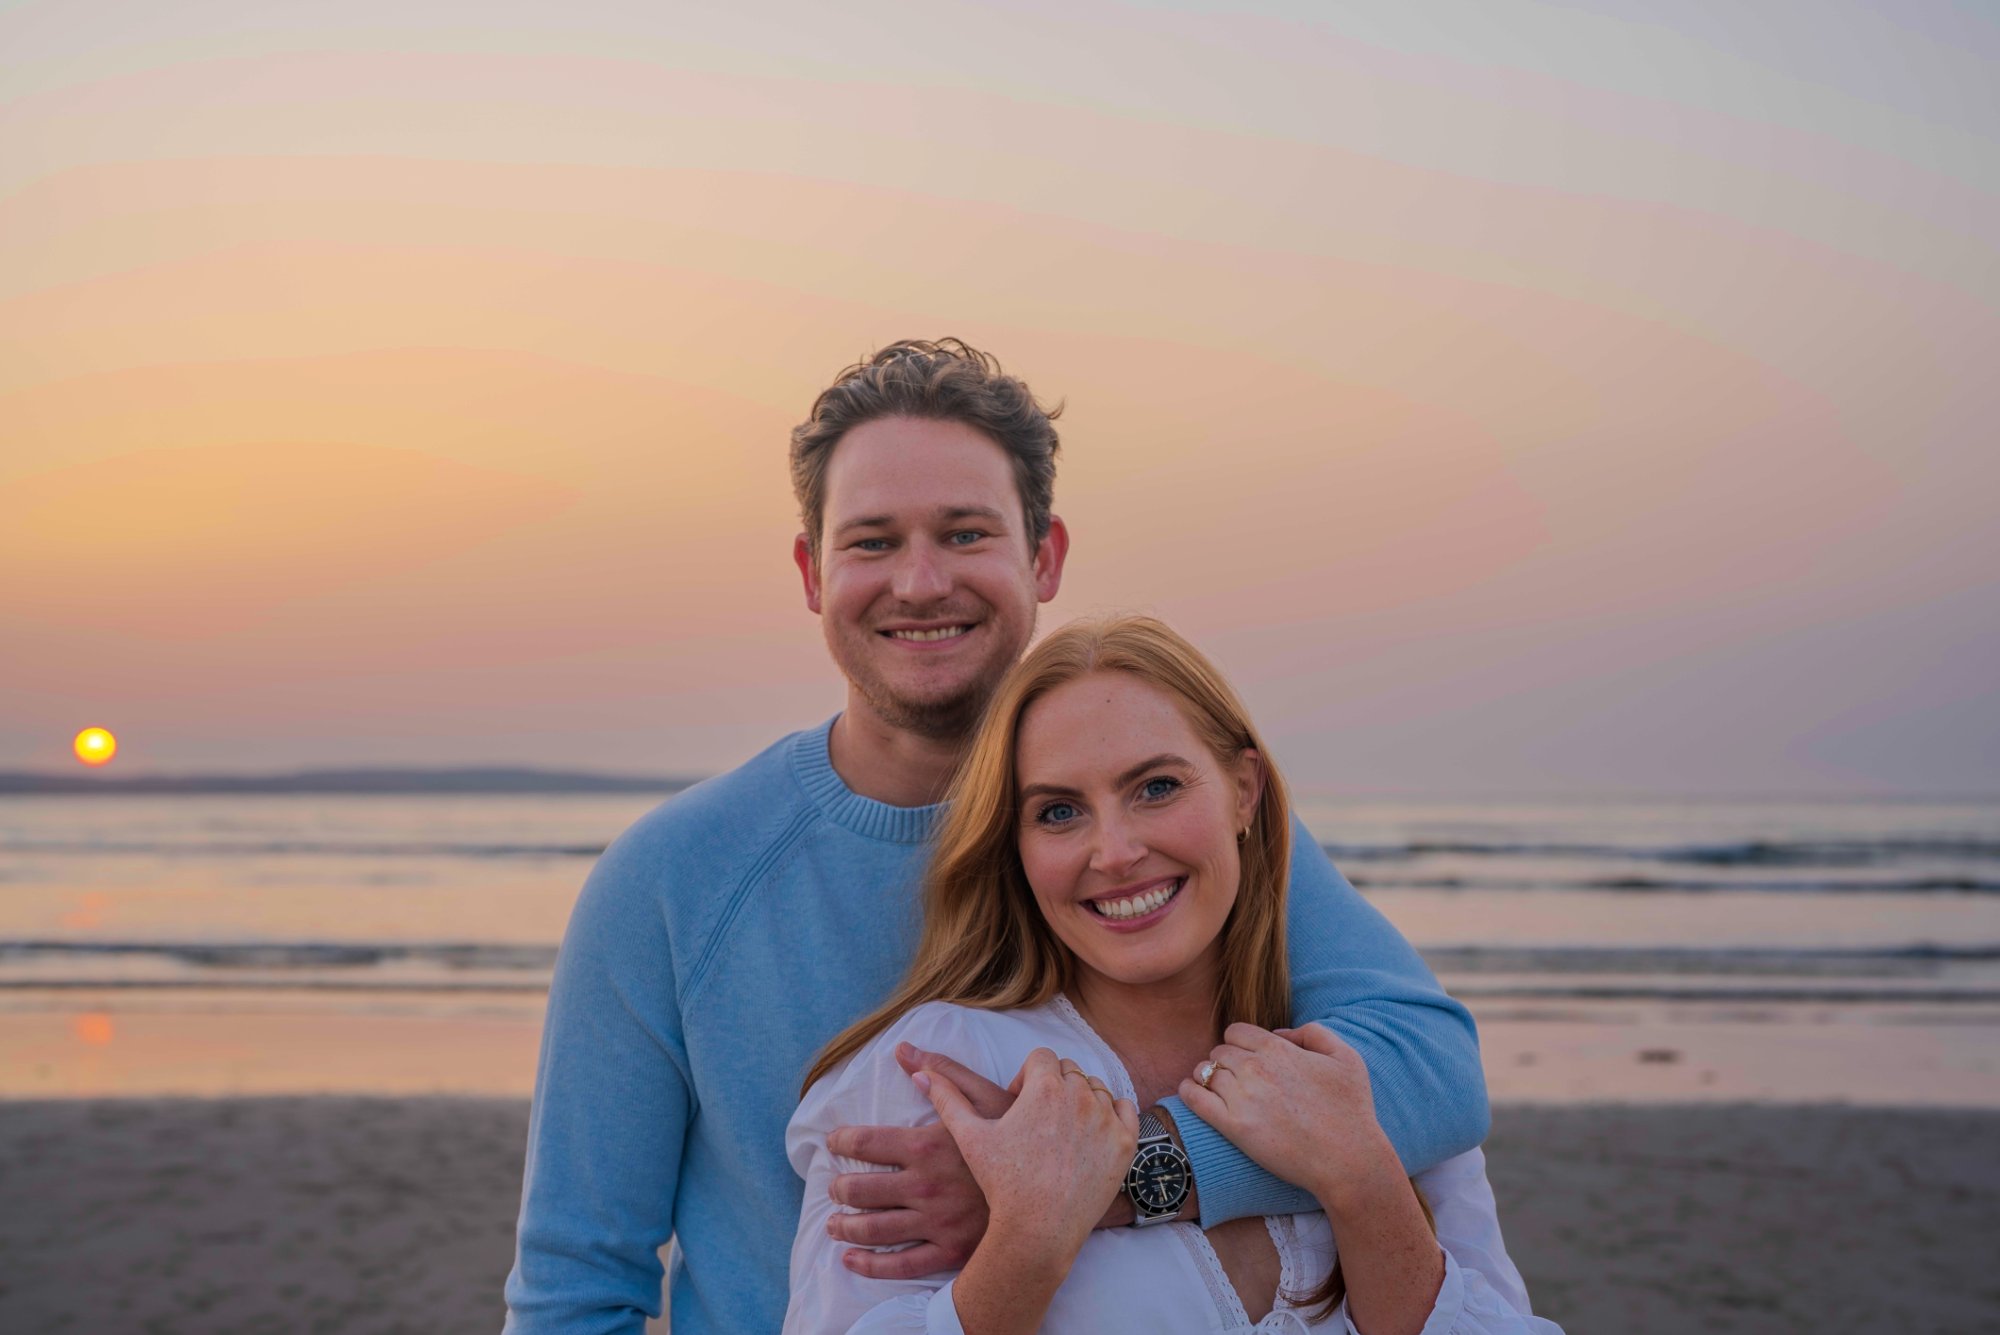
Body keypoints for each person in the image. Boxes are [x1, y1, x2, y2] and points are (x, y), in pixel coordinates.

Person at [503, 341, 1490, 1334]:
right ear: (811, 571)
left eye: (966, 533)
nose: (921, 582)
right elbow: (574, 1290)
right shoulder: (672, 879)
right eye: (873, 541)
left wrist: (1101, 1181)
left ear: (1043, 556)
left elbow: (1431, 1074)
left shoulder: (1153, 847)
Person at [785, 616, 1559, 1334]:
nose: (1115, 850)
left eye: (1156, 787)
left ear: (1243, 791)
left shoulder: (1350, 1071)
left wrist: (1362, 1181)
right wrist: (1027, 1243)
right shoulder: (930, 1075)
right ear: (1014, 847)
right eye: (1058, 811)